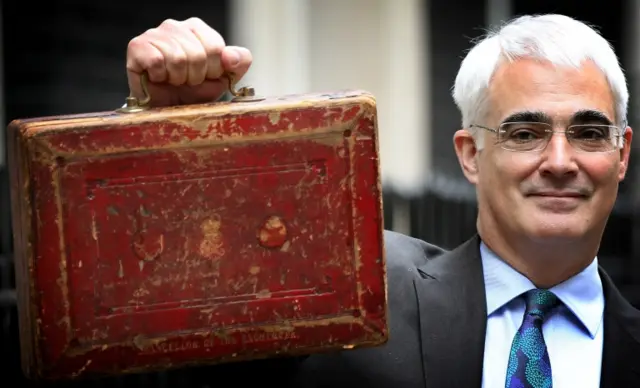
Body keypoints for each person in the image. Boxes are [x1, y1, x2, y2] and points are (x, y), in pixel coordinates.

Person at [125, 14, 640, 387]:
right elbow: (185, 349)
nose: (558, 160)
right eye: (524, 132)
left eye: (589, 133)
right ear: (470, 155)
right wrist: (181, 144)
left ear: (622, 153)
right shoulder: (349, 289)